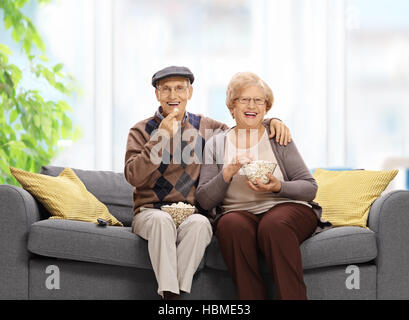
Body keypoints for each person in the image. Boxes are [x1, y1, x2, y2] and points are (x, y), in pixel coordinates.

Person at [124, 66, 292, 299]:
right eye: (166, 90)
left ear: (190, 92)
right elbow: (133, 176)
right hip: (151, 212)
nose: (174, 96)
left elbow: (243, 123)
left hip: (191, 213)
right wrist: (161, 137)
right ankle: (172, 297)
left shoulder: (207, 128)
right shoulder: (141, 130)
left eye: (180, 89)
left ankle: (174, 294)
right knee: (162, 222)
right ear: (157, 95)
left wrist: (274, 120)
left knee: (202, 225)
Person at [195, 71, 331, 300]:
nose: (252, 105)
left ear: (266, 107)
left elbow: (309, 187)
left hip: (287, 208)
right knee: (230, 225)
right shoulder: (216, 144)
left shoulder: (277, 136)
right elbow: (204, 199)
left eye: (258, 100)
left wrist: (278, 186)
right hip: (239, 213)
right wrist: (227, 172)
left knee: (273, 226)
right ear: (232, 107)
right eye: (244, 99)